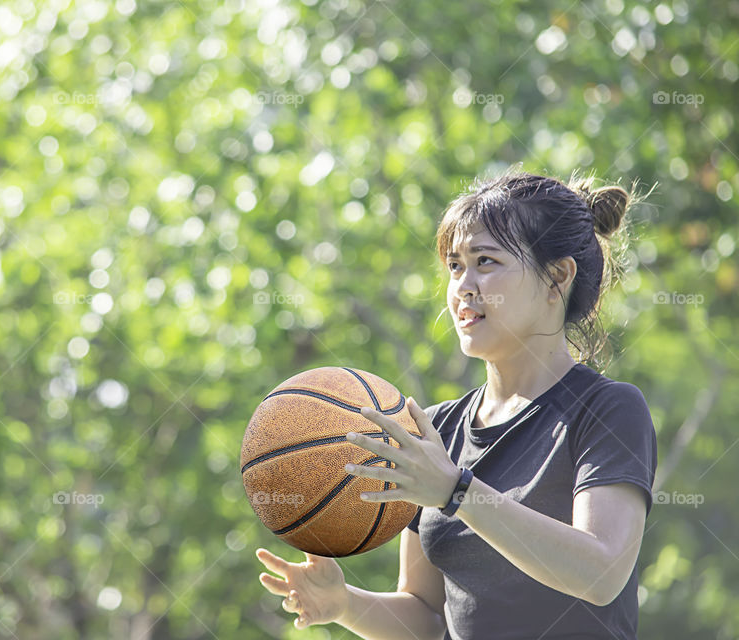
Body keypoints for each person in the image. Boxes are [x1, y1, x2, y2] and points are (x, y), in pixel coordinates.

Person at [255, 169, 659, 639]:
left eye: (485, 261)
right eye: (454, 265)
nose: (463, 285)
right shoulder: (437, 430)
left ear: (557, 277)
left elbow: (601, 571)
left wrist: (456, 491)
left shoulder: (607, 410)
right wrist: (344, 604)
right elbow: (427, 617)